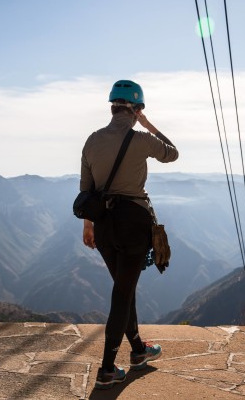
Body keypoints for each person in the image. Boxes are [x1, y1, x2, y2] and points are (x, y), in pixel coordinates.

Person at [81, 79, 178, 389]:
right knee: (122, 293)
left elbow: (86, 188)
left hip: (103, 224)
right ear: (136, 110)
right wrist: (149, 125)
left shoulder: (92, 140)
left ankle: (137, 351)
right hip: (133, 222)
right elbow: (172, 154)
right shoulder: (141, 139)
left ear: (112, 107)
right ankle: (107, 368)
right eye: (140, 111)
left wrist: (87, 225)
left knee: (124, 287)